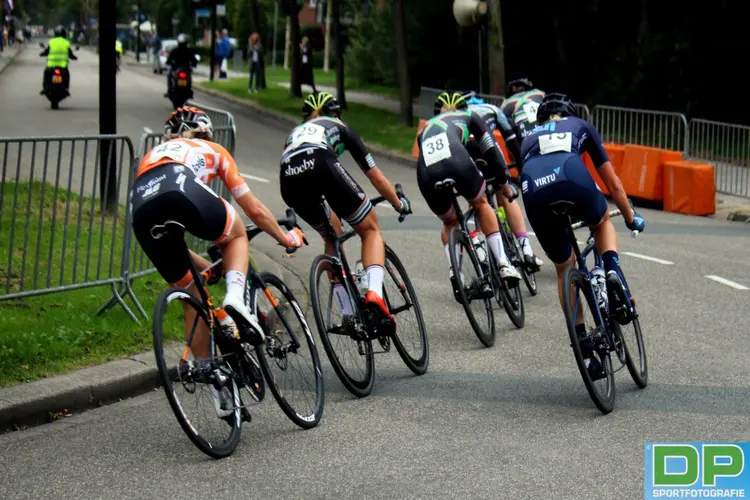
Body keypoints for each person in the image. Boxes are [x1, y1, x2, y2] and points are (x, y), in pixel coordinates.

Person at [131, 106, 305, 417]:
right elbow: (252, 208)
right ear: (205, 132)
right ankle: (236, 299)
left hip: (141, 205)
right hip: (179, 187)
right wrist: (285, 237)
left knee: (190, 295)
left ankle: (217, 390)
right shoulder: (212, 148)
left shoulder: (155, 154)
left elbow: (177, 245)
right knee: (235, 236)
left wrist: (205, 269)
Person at [518, 93, 645, 379]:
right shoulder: (580, 125)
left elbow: (525, 173)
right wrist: (630, 217)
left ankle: (585, 347)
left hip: (535, 192)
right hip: (572, 176)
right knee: (600, 222)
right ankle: (611, 273)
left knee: (565, 268)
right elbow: (613, 184)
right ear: (569, 112)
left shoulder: (528, 137)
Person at [279, 92, 410, 324]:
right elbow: (375, 177)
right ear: (335, 114)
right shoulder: (341, 126)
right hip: (320, 161)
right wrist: (398, 204)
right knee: (370, 229)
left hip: (288, 177)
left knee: (332, 235)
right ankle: (375, 295)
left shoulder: (295, 133)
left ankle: (348, 312)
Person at [417, 91, 521, 302]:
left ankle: (455, 273)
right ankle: (503, 263)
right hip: (458, 162)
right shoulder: (470, 117)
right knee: (481, 203)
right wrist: (504, 184)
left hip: (426, 174)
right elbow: (491, 151)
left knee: (449, 221)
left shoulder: (424, 129)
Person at [464, 92, 544, 270]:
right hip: (487, 148)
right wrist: (522, 167)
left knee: (478, 201)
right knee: (506, 194)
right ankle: (526, 250)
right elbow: (511, 139)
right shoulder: (492, 109)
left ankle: (482, 249)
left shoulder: (458, 116)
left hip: (466, 154)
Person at [501, 75, 545, 141]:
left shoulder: (506, 102)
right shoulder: (540, 93)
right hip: (544, 130)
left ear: (513, 87)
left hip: (524, 137)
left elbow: (503, 123)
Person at [39, 25, 77, 95]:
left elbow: (47, 51)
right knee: (67, 75)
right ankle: (66, 87)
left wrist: (42, 54)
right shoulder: (66, 42)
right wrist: (74, 57)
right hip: (63, 66)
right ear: (64, 34)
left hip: (51, 65)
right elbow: (70, 54)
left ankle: (45, 87)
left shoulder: (52, 41)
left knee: (46, 74)